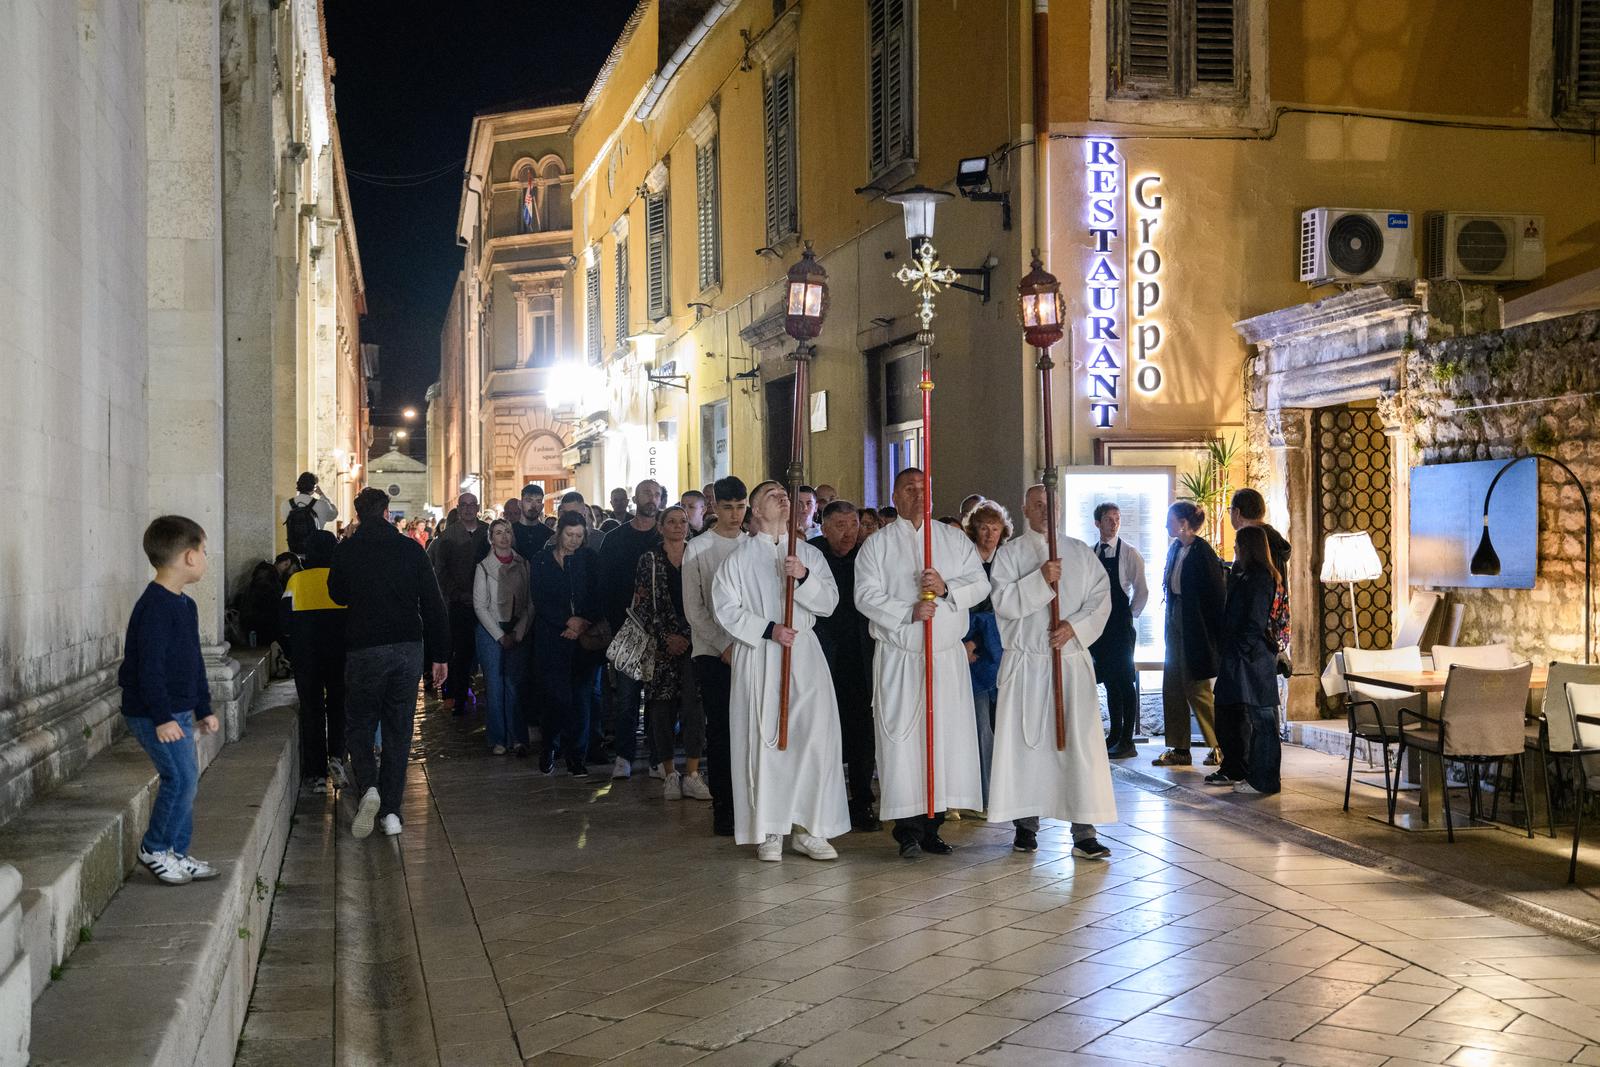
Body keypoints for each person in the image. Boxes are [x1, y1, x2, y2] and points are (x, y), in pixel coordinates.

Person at [713, 481, 850, 861]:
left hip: (804, 653)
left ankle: (809, 827)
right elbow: (725, 608)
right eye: (773, 494)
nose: (783, 498)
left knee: (812, 739)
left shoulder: (806, 554)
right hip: (763, 655)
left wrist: (803, 577)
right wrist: (768, 629)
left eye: (785, 495)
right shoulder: (738, 560)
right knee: (766, 739)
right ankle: (770, 829)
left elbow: (829, 603)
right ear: (755, 511)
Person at [855, 468, 986, 857]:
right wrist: (908, 611)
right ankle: (907, 827)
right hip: (901, 657)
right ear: (895, 495)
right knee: (905, 742)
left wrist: (946, 589)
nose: (917, 494)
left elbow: (981, 584)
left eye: (922, 488)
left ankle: (934, 825)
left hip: (944, 659)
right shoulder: (877, 545)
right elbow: (864, 595)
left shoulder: (950, 539)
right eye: (908, 489)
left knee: (942, 742)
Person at [987, 485, 1115, 858]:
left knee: (1077, 747)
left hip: (1068, 661)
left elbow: (1101, 599)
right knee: (1028, 746)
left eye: (1050, 505)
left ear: (1059, 509)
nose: (1045, 512)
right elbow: (1005, 603)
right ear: (1025, 509)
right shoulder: (1010, 555)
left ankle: (1084, 832)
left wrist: (1073, 626)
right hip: (1028, 664)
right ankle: (1026, 826)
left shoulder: (1079, 552)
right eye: (1038, 505)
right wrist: (1041, 579)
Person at [329, 488, 450, 839]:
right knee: (399, 728)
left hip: (364, 648)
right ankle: (392, 813)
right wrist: (440, 655)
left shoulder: (347, 550)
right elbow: (432, 603)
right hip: (406, 647)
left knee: (361, 723)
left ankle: (368, 786)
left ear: (358, 514)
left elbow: (337, 593)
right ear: (386, 513)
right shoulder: (410, 549)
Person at [119, 515, 223, 885]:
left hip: (176, 709)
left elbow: (192, 662)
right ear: (189, 557)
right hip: (152, 714)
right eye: (205, 551)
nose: (207, 559)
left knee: (186, 779)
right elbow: (149, 668)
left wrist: (204, 707)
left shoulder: (185, 605)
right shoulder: (154, 607)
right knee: (179, 779)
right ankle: (155, 847)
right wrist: (162, 717)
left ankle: (176, 852)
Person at [683, 475, 751, 836]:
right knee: (722, 731)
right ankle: (724, 808)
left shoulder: (753, 545)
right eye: (728, 508)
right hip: (712, 653)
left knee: (751, 730)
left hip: (750, 649)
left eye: (740, 507)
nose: (735, 515)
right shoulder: (699, 548)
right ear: (714, 507)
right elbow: (694, 609)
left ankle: (751, 802)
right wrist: (722, 644)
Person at [810, 500, 879, 830]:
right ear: (823, 528)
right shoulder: (813, 555)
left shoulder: (867, 556)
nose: (849, 533)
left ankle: (863, 801)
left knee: (862, 732)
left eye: (854, 525)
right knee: (825, 730)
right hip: (823, 654)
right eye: (840, 526)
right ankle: (826, 802)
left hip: (862, 654)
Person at [634, 505, 710, 800]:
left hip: (695, 644)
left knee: (694, 708)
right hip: (660, 646)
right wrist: (666, 637)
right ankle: (669, 773)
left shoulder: (698, 555)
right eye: (672, 522)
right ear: (661, 527)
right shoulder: (649, 560)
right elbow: (642, 604)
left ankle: (692, 772)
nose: (678, 527)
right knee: (661, 710)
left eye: (683, 522)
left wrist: (689, 637)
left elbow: (707, 601)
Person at [596, 480, 663, 778]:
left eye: (657, 494)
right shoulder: (615, 539)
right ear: (636, 498)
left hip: (662, 629)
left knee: (660, 698)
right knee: (626, 696)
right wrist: (614, 625)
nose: (652, 498)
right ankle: (624, 754)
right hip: (628, 629)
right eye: (647, 493)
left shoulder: (667, 536)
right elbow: (605, 585)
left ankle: (658, 757)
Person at [1153, 501, 1226, 769]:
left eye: (1170, 520)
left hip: (1195, 623)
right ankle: (1180, 747)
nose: (1166, 525)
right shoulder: (1176, 549)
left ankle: (1220, 744)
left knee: (1196, 685)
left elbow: (1215, 597)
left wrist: (1212, 635)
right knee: (1172, 683)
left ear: (1184, 523)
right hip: (1175, 618)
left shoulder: (1202, 553)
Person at [530, 513, 603, 776]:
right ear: (559, 532)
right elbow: (539, 598)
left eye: (579, 536)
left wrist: (582, 622)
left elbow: (598, 595)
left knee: (581, 699)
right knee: (556, 699)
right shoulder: (541, 560)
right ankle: (550, 744)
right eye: (569, 535)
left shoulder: (590, 560)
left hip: (583, 639)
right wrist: (566, 621)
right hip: (552, 639)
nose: (573, 541)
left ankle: (576, 755)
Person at [1213, 525, 1284, 795]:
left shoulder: (1260, 578)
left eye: (1238, 546)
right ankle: (1256, 776)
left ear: (1248, 548)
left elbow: (1254, 620)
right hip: (1246, 657)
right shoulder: (1248, 576)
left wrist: (1240, 649)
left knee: (1264, 721)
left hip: (1253, 660)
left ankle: (1264, 780)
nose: (1235, 551)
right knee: (1256, 719)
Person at [280, 530, 348, 793]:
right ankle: (337, 758)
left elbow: (284, 624)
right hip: (339, 655)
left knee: (312, 710)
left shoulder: (296, 581)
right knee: (338, 706)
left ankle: (316, 773)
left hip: (306, 656)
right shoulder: (340, 579)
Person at [1088, 503, 1149, 760]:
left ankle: (1126, 739)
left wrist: (1129, 616)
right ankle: (1114, 733)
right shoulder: (1092, 553)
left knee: (1124, 680)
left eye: (1117, 519)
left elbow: (1141, 590)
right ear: (1097, 523)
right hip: (1099, 628)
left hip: (1120, 626)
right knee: (1110, 681)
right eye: (1108, 519)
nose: (1113, 523)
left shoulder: (1129, 554)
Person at [961, 500, 1011, 811]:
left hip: (1002, 645)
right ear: (974, 530)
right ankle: (984, 794)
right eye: (983, 527)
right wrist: (966, 643)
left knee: (1003, 722)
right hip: (972, 646)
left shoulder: (1006, 560)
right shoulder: (965, 561)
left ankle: (1004, 792)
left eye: (995, 528)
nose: (989, 534)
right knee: (980, 725)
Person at [474, 519, 532, 756]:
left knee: (514, 684)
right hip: (492, 630)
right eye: (498, 533)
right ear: (491, 538)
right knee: (495, 685)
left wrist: (519, 630)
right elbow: (480, 605)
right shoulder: (484, 567)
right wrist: (499, 635)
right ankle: (498, 737)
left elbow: (530, 601)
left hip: (517, 627)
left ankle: (518, 736)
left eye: (507, 532)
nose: (504, 537)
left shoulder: (523, 564)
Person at [432, 492, 488, 713]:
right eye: (463, 505)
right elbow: (442, 571)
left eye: (471, 505)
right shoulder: (448, 536)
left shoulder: (487, 532)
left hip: (486, 603)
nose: (467, 509)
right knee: (461, 652)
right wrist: (456, 594)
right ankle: (459, 696)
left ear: (477, 507)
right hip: (461, 603)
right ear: (459, 508)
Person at [283, 471, 338, 556]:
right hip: (314, 553)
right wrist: (321, 494)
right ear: (314, 487)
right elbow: (334, 514)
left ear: (298, 485)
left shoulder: (286, 505)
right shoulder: (321, 505)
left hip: (294, 553)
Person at [514, 483, 554, 562]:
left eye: (538, 501)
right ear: (520, 504)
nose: (533, 506)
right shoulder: (509, 532)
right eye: (529, 500)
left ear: (542, 506)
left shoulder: (550, 535)